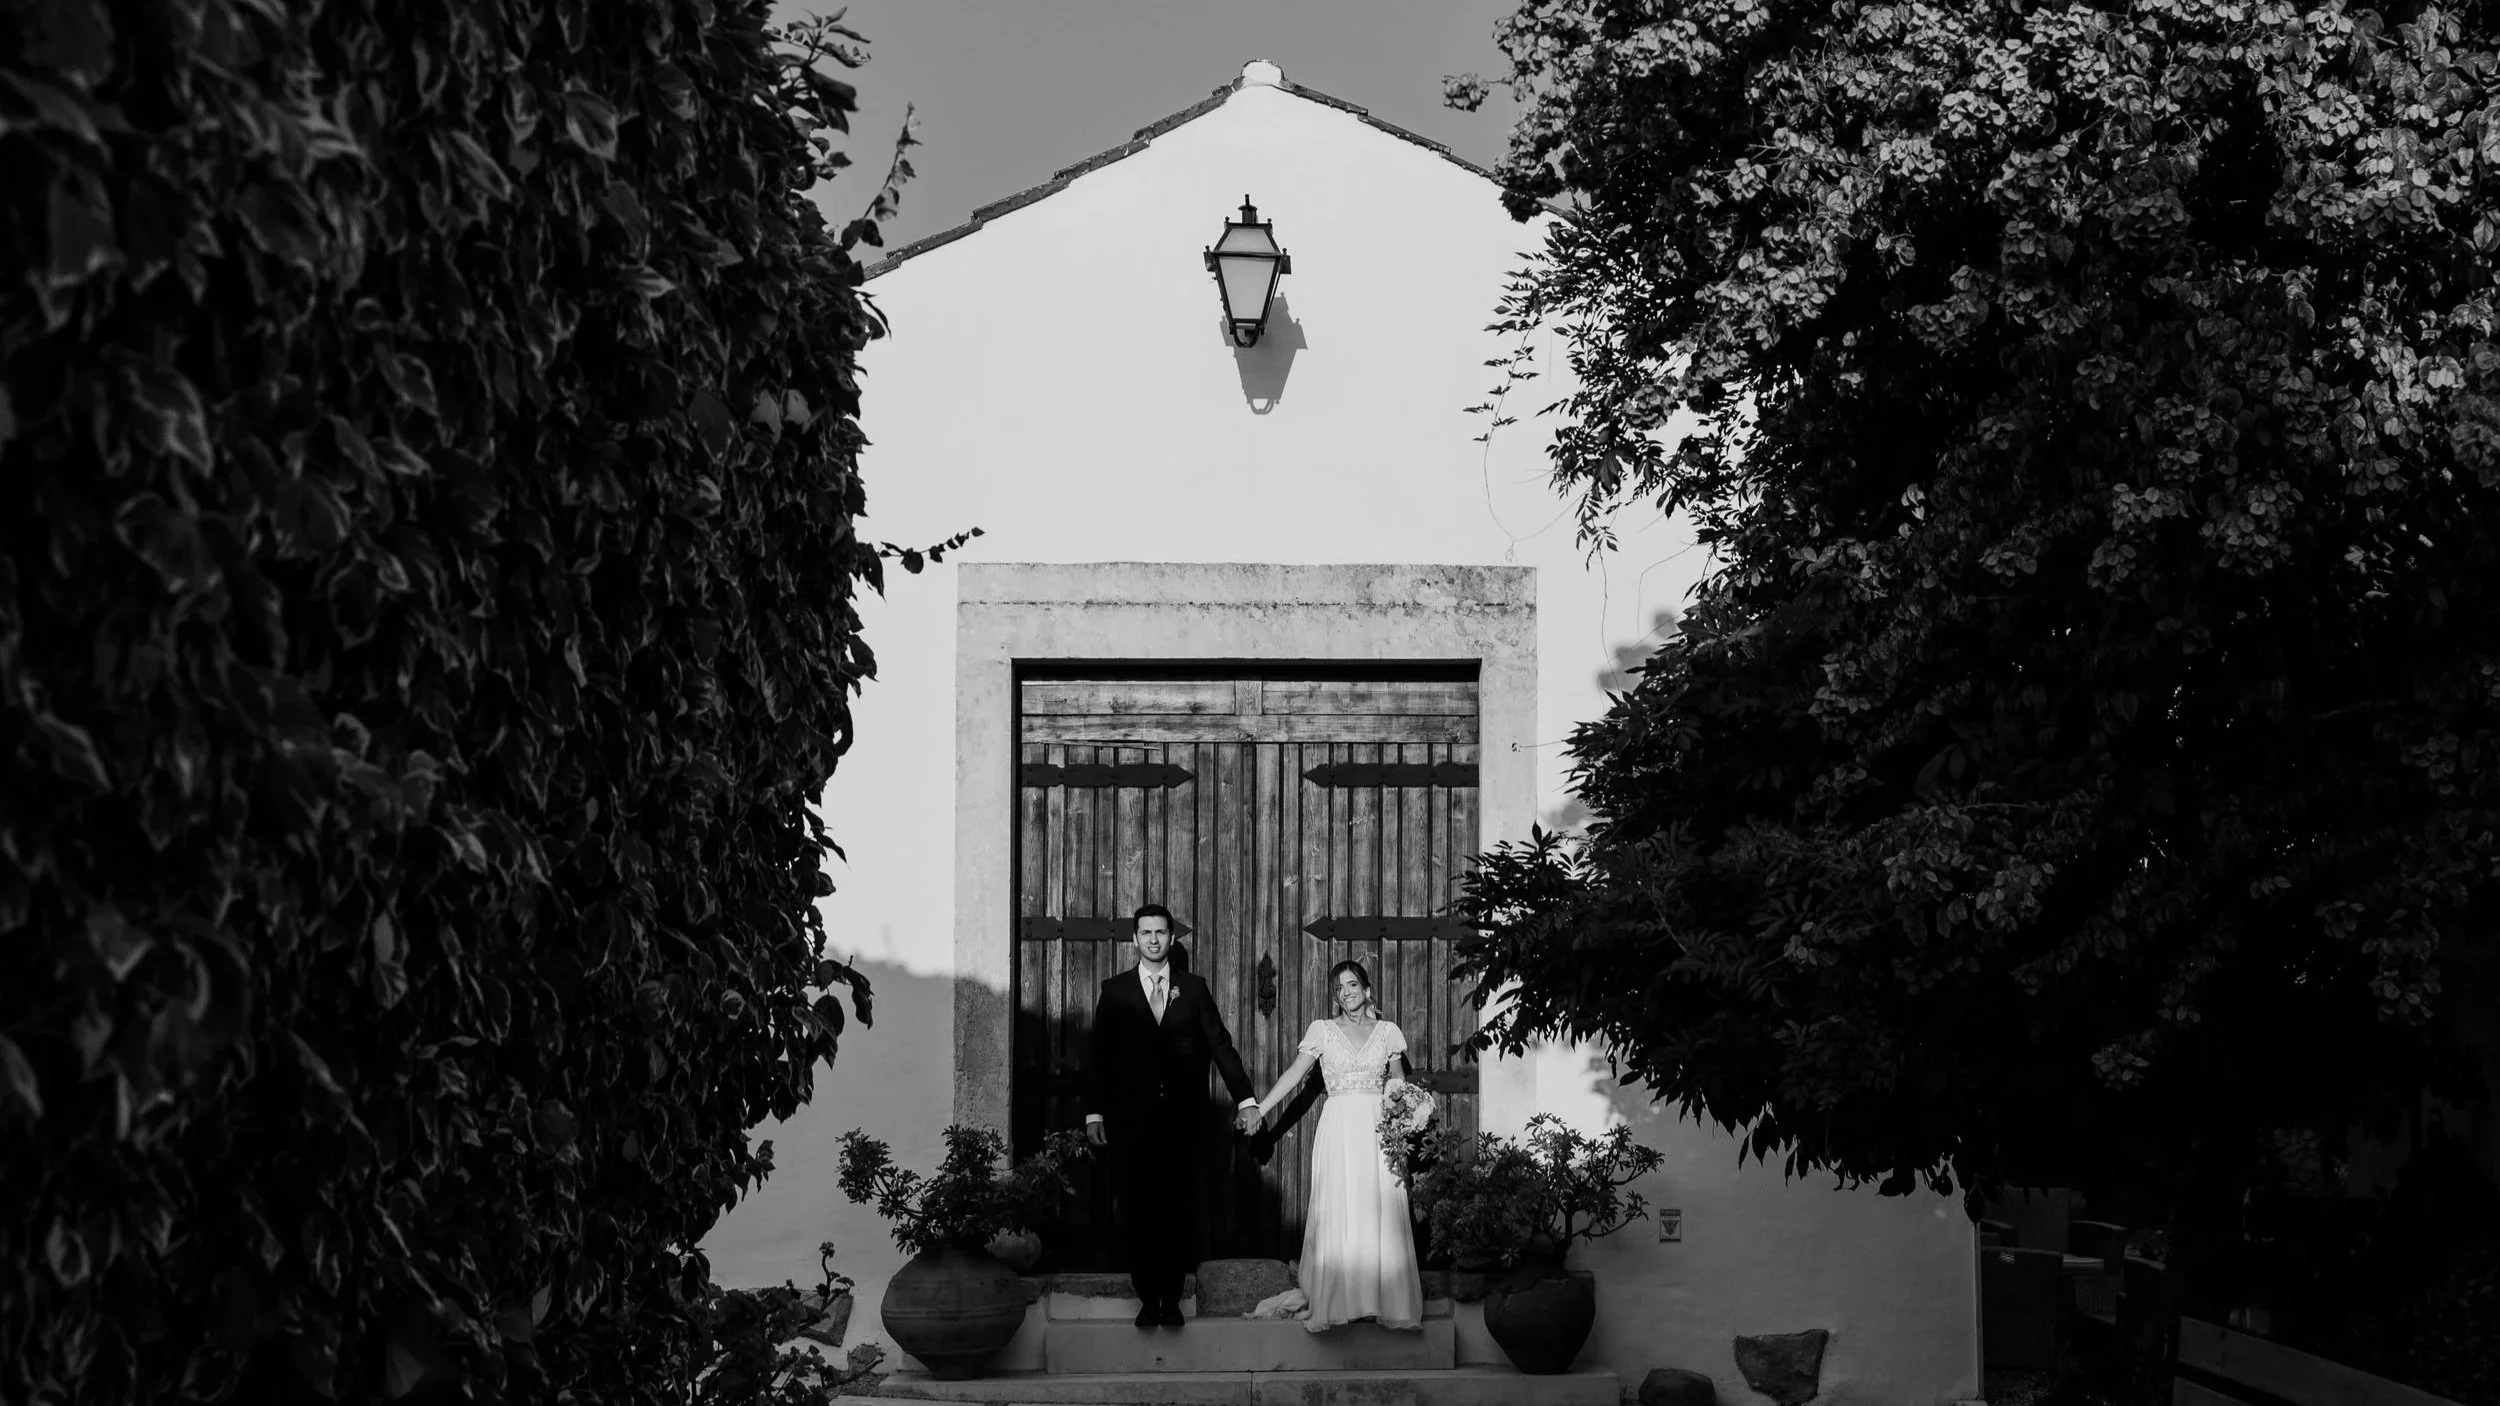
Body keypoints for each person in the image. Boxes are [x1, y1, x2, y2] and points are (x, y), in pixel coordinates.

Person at [1083, 904, 1260, 1330]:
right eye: (1145, 933)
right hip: (1131, 1123)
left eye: (1161, 932)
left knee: (1177, 1210)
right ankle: (1147, 1299)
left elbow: (1221, 1046)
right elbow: (1099, 1058)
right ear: (1135, 939)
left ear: (1171, 938)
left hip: (1183, 1122)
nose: (1153, 940)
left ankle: (1171, 1298)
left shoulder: (1194, 989)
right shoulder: (1116, 990)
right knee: (1138, 1209)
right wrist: (1094, 1111)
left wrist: (1247, 1101)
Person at [1244, 959, 1425, 1333]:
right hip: (1340, 1125)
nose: (1346, 994)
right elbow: (1295, 1074)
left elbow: (1398, 1086)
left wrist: (1410, 1113)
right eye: (1339, 989)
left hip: (1377, 1129)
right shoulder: (1323, 1031)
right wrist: (1259, 1109)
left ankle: (1381, 1299)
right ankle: (1340, 1298)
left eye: (1352, 986)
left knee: (1379, 1208)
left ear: (1367, 989)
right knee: (1341, 1207)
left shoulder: (1388, 1032)